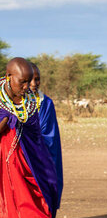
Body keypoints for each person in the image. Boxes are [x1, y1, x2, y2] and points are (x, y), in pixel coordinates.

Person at [0, 58, 59, 218]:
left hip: (29, 178)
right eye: (22, 82)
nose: (27, 87)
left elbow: (38, 144)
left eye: (29, 82)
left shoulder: (32, 104)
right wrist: (5, 121)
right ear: (8, 78)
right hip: (4, 185)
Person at [29, 62, 63, 208]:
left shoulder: (45, 103)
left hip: (39, 161)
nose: (34, 83)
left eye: (37, 79)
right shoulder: (7, 104)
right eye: (29, 79)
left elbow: (49, 136)